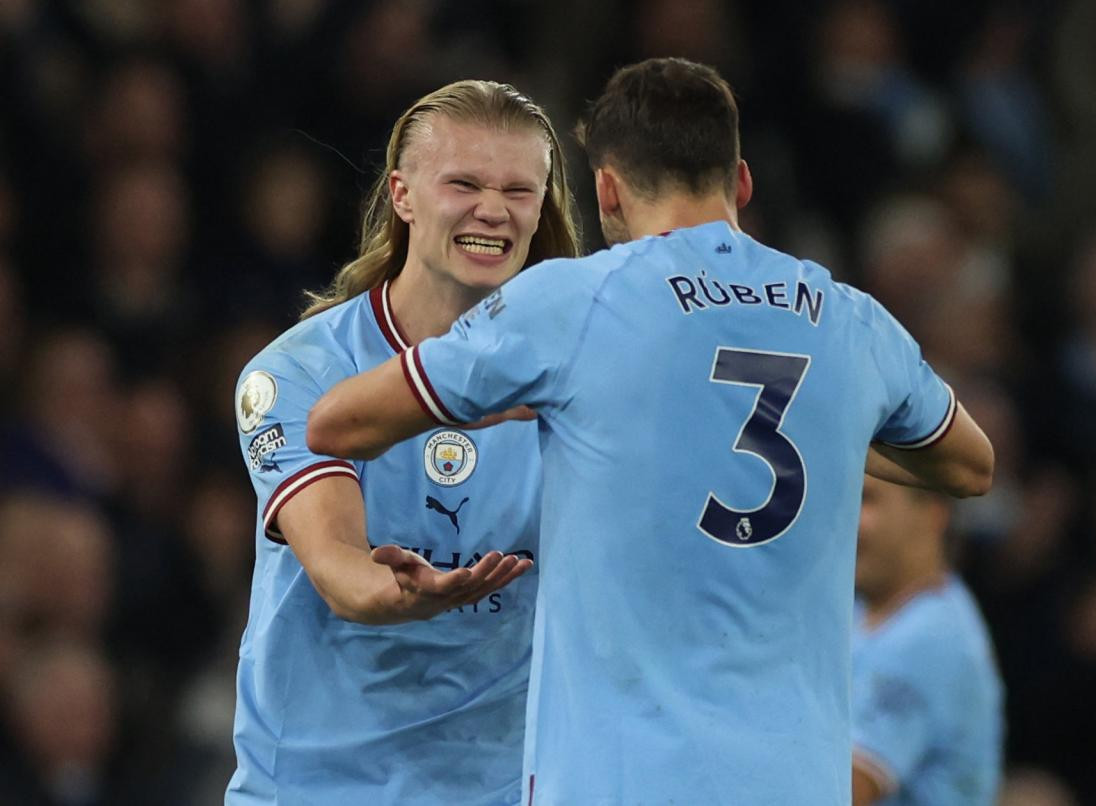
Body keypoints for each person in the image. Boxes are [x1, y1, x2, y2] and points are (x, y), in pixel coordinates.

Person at [307, 58, 994, 804]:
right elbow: (968, 466)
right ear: (741, 182)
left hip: (622, 781)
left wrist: (498, 402)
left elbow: (337, 422)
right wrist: (817, 427)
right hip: (794, 783)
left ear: (605, 188)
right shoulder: (847, 317)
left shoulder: (576, 303)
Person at [227, 80, 580, 806]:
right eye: (464, 183)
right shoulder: (296, 373)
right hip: (314, 789)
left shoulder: (576, 379)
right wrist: (399, 596)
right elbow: (337, 567)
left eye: (520, 189)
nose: (493, 209)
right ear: (403, 195)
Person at [852, 475, 1003, 805]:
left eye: (867, 499)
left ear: (932, 514)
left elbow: (844, 790)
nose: (849, 519)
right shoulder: (855, 611)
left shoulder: (933, 638)